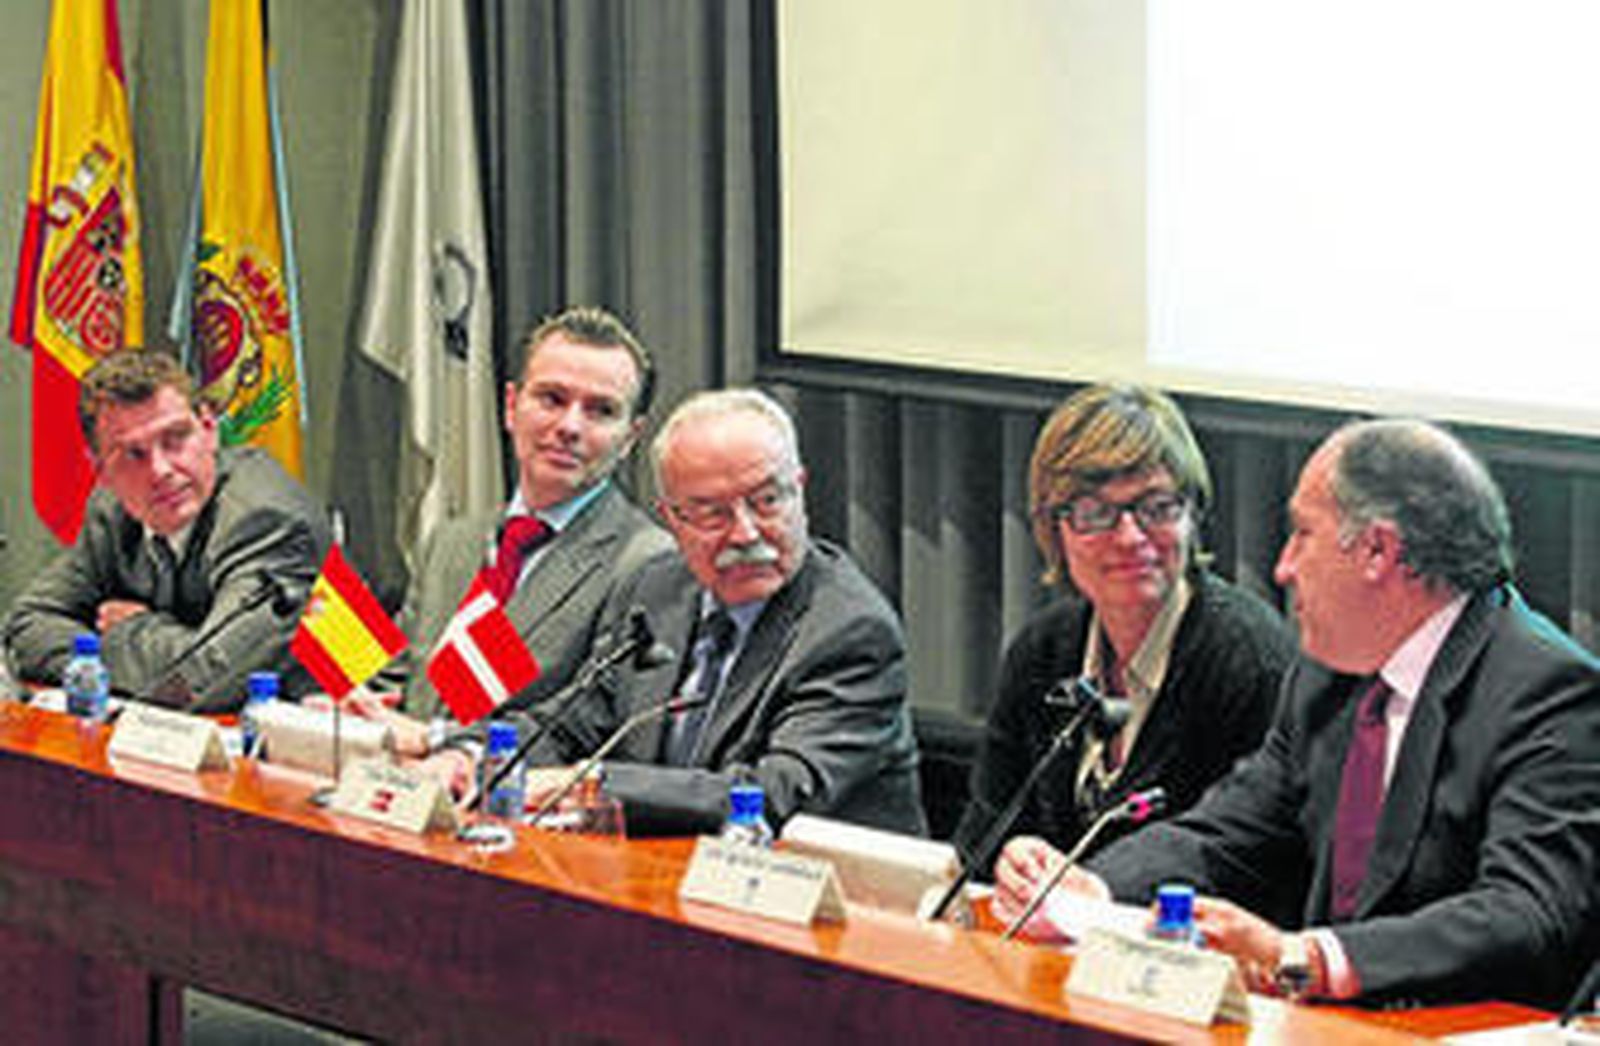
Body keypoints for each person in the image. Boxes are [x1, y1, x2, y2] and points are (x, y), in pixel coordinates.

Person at [1000, 418, 1600, 1010]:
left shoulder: (1547, 691)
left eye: (1303, 535)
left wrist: (1311, 957)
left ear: (1377, 550)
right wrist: (1091, 887)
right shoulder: (1330, 676)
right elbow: (1227, 832)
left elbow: (1528, 910)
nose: (1283, 567)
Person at [502, 388, 926, 837]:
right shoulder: (656, 588)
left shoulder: (850, 630)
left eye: (767, 501)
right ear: (671, 519)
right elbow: (571, 723)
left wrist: (593, 783)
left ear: (799, 489)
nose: (745, 533)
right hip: (661, 864)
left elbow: (770, 795)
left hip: (812, 877)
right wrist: (471, 754)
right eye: (712, 514)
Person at [954, 385, 1293, 870]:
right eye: (1095, 513)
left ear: (1193, 514)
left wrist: (1095, 890)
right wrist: (1011, 859)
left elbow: (1253, 865)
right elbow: (982, 840)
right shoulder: (1041, 652)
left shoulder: (1251, 662)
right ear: (1054, 529)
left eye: (1157, 507)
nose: (1130, 537)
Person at [354, 306, 672, 760]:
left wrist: (441, 742)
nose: (569, 426)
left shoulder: (648, 563)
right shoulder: (452, 543)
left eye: (600, 411)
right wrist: (350, 709)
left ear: (630, 438)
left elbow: (588, 730)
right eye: (552, 399)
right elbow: (397, 683)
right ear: (510, 406)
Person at [3, 347, 331, 711]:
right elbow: (25, 626)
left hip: (330, 724)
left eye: (175, 438)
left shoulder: (268, 518)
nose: (160, 470)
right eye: (133, 454)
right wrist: (153, 658)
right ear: (101, 471)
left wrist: (128, 632)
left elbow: (206, 679)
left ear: (209, 428)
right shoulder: (113, 511)